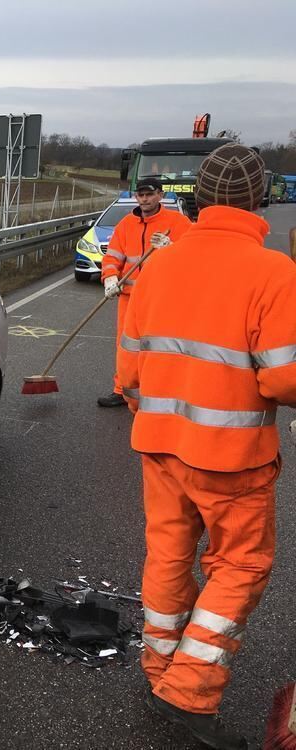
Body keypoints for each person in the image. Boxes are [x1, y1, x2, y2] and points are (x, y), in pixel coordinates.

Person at [117, 144, 296, 750]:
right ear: (260, 200)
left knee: (167, 556)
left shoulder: (159, 264)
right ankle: (188, 691)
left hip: (161, 447)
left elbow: (131, 371)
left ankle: (161, 670)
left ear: (198, 200)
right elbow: (283, 378)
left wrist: (160, 417)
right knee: (240, 565)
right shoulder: (273, 272)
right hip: (234, 459)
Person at [97, 178, 192, 407]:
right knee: (126, 345)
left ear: (160, 195)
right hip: (130, 298)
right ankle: (122, 391)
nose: (145, 199)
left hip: (164, 299)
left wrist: (172, 249)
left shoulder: (179, 223)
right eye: (140, 195)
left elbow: (193, 257)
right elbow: (113, 257)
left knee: (161, 346)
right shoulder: (126, 224)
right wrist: (110, 277)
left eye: (149, 194)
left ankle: (161, 392)